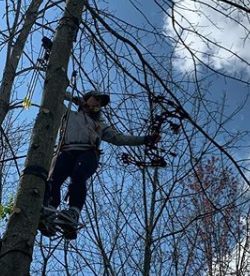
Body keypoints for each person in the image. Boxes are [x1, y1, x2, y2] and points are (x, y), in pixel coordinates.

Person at [39, 90, 160, 239]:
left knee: (79, 176)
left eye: (100, 102)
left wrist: (145, 139)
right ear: (86, 98)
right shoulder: (68, 114)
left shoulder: (99, 125)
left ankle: (73, 212)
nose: (98, 103)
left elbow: (120, 138)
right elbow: (55, 92)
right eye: (95, 99)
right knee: (54, 178)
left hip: (87, 152)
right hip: (66, 151)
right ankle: (50, 210)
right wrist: (76, 99)